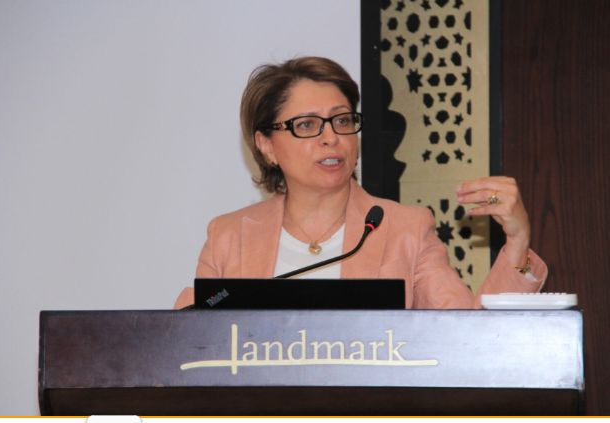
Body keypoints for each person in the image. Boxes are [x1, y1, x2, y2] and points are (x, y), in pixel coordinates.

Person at [174, 57, 546, 310]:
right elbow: (194, 344)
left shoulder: (406, 230)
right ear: (266, 145)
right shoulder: (228, 237)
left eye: (342, 120)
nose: (331, 137)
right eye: (307, 125)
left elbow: (469, 339)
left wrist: (518, 242)